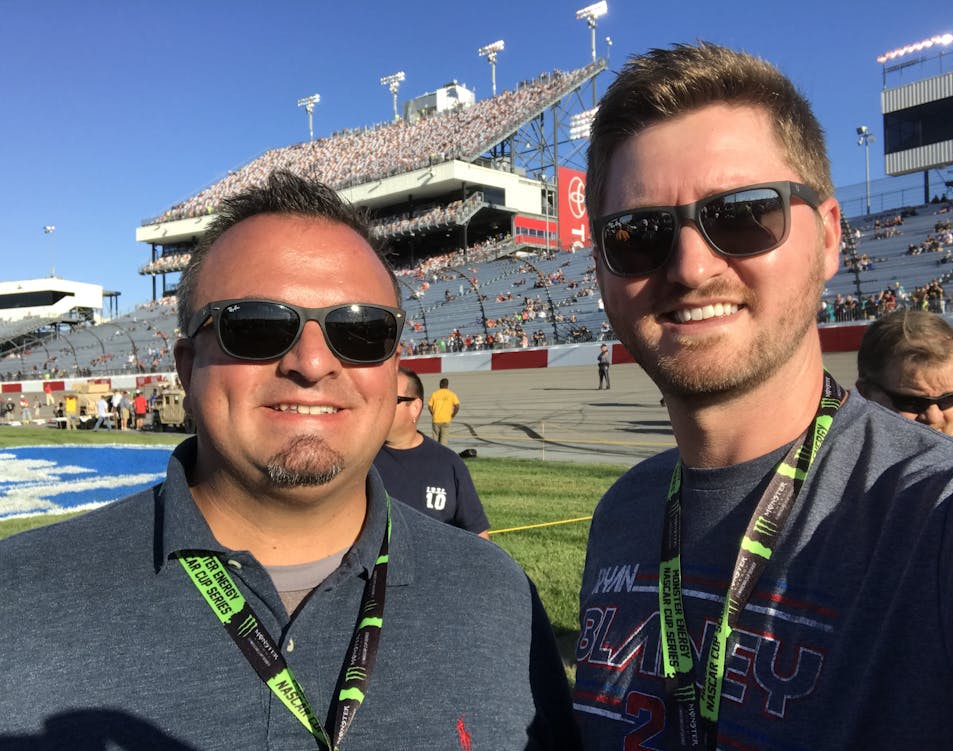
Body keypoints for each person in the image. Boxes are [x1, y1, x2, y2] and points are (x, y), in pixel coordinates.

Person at [0, 171, 577, 750]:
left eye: (361, 330)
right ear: (185, 365)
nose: (313, 361)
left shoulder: (497, 596)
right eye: (255, 326)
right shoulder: (18, 598)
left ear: (394, 367)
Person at [574, 43, 953, 750]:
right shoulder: (622, 513)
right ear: (602, 269)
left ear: (829, 236)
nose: (690, 265)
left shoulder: (950, 516)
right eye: (637, 234)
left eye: (741, 215)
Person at [856, 309, 953, 448]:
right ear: (865, 394)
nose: (934, 417)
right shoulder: (840, 461)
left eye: (950, 398)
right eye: (912, 402)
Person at [374, 367, 490, 538]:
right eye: (377, 400)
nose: (378, 408)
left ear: (414, 407)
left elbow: (479, 537)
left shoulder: (449, 464)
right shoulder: (362, 461)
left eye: (389, 400)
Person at [426, 376, 460, 445]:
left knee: (435, 439)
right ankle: (442, 454)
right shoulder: (452, 394)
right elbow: (457, 406)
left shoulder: (434, 394)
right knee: (444, 440)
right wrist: (452, 415)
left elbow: (429, 406)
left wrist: (433, 414)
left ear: (440, 384)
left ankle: (434, 453)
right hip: (446, 420)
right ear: (447, 385)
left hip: (436, 419)